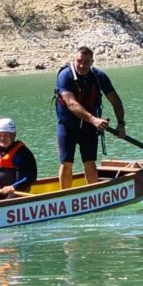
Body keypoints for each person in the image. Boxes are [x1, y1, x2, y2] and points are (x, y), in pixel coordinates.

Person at [55, 46, 126, 188]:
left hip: (89, 127)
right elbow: (71, 103)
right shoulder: (65, 75)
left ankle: (93, 194)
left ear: (92, 61)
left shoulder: (99, 76)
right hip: (68, 126)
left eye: (86, 62)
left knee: (90, 162)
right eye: (79, 61)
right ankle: (65, 197)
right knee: (67, 163)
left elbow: (115, 100)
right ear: (74, 59)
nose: (82, 65)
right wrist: (94, 119)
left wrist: (121, 124)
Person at [0, 118, 38, 195]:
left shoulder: (23, 153)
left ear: (13, 135)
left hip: (16, 192)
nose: (2, 138)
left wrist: (14, 187)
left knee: (9, 199)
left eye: (6, 135)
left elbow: (32, 176)